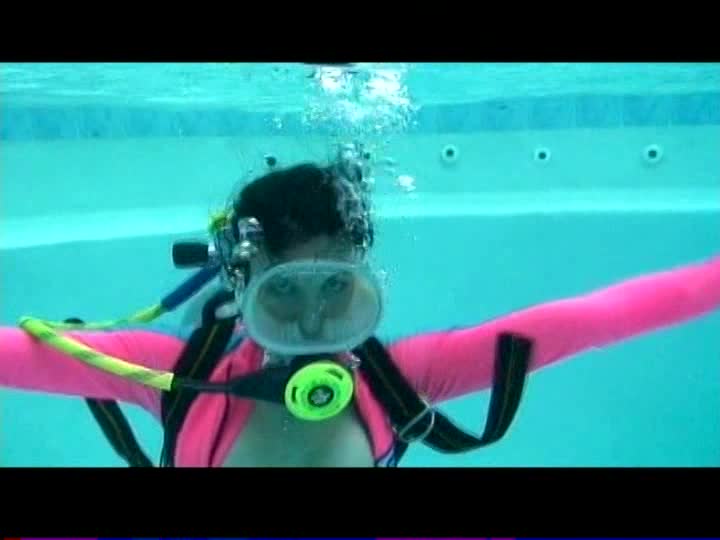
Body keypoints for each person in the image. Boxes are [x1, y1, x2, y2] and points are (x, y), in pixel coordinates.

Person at [2, 148, 719, 468]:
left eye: (336, 288)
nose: (314, 325)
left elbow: (600, 316)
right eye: (283, 290)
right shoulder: (180, 377)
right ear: (244, 285)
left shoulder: (401, 378)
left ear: (364, 281)